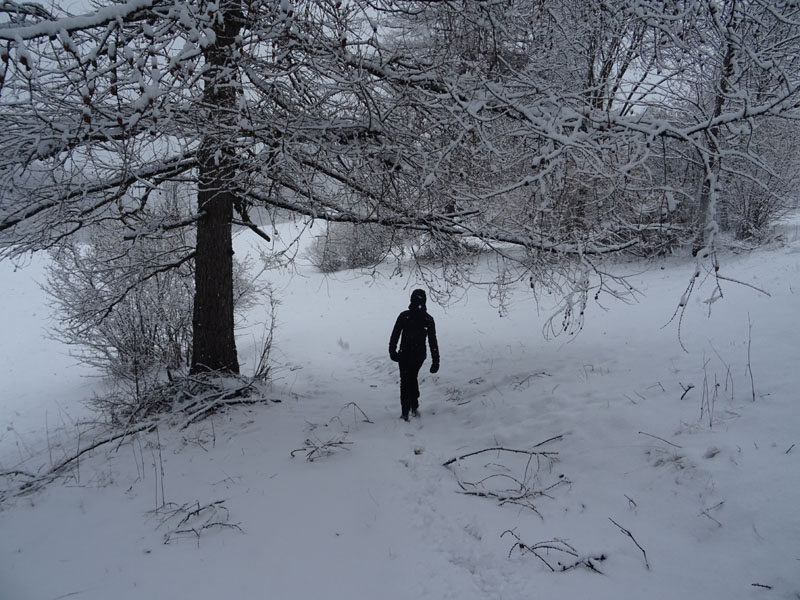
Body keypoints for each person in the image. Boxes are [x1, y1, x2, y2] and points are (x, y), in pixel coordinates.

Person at [389, 288, 440, 421]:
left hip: (406, 354)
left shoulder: (406, 316)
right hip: (416, 355)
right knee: (411, 378)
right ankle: (412, 405)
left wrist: (392, 350)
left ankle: (406, 410)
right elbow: (432, 342)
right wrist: (435, 360)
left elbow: (395, 334)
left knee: (406, 380)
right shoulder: (427, 319)